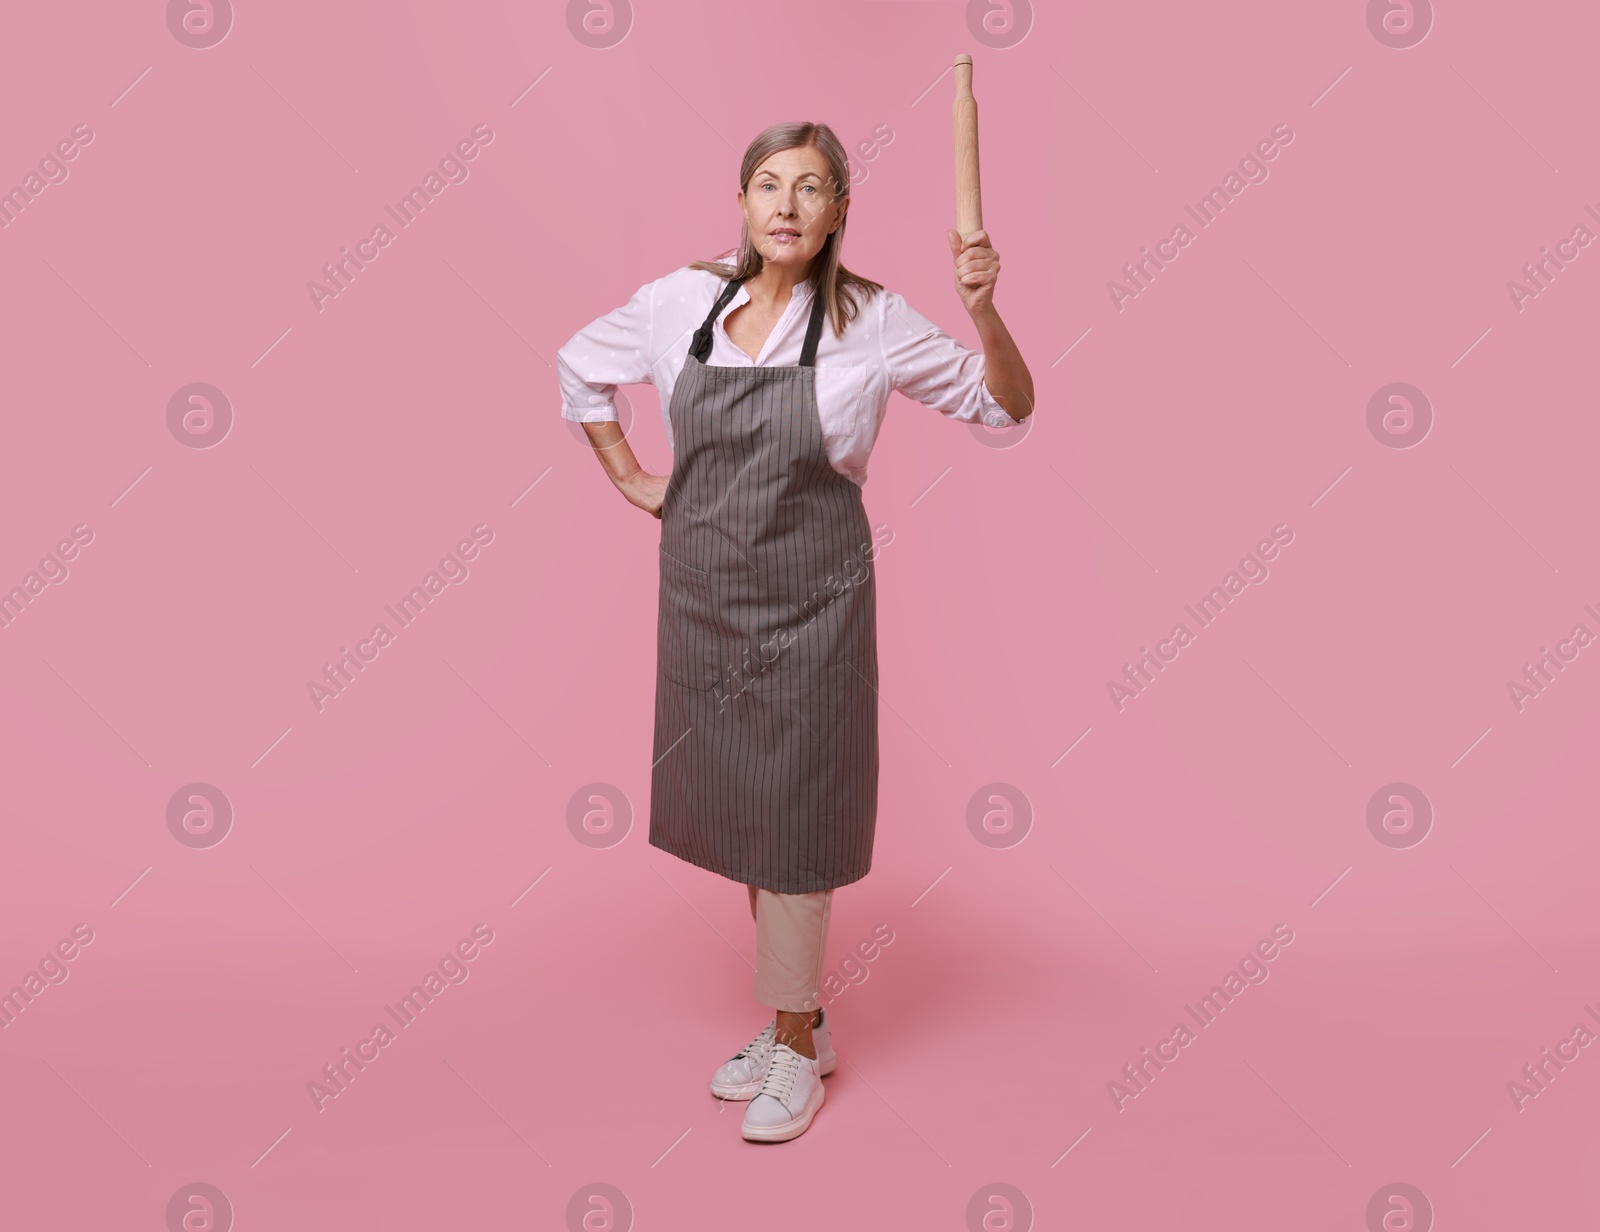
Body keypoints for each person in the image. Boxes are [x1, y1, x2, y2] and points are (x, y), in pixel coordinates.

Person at [556, 121, 1033, 1142]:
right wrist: (634, 477)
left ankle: (790, 1045)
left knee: (797, 815)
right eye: (768, 185)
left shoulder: (874, 319)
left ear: (839, 212)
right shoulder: (678, 302)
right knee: (743, 810)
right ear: (740, 200)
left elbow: (1005, 405)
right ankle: (799, 1027)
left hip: (814, 604)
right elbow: (575, 367)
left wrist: (985, 313)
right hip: (701, 598)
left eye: (810, 188)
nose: (786, 204)